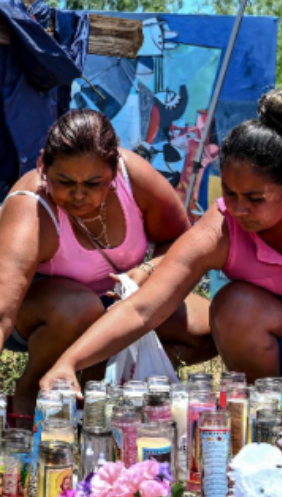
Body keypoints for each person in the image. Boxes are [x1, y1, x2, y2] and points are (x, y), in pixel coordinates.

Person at [0, 109, 215, 433]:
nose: (79, 195)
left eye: (93, 183)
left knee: (208, 329)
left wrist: (147, 270)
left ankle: (100, 386)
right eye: (64, 182)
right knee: (80, 309)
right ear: (43, 165)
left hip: (108, 297)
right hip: (25, 305)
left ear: (114, 171)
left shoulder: (134, 178)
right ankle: (29, 393)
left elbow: (181, 243)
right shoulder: (31, 209)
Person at [41, 90, 282, 390]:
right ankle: (270, 416)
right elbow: (143, 308)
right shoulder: (222, 228)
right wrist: (69, 363)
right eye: (230, 193)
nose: (238, 209)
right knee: (235, 308)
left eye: (255, 199)